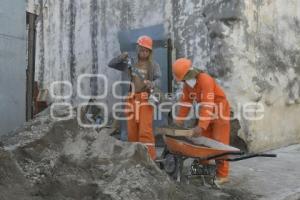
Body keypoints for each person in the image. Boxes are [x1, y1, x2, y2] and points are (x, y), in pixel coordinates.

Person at [172, 58, 231, 184]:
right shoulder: (187, 85)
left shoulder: (205, 80)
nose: (182, 81)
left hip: (219, 109)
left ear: (189, 73)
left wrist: (201, 126)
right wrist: (179, 121)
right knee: (203, 142)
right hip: (206, 111)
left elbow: (208, 104)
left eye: (183, 78)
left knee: (218, 143)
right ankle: (203, 170)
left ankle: (223, 175)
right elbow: (185, 103)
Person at [108, 36, 161, 160]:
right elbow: (111, 64)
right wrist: (121, 57)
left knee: (145, 131)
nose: (144, 53)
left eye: (147, 51)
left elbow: (159, 79)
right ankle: (134, 158)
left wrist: (153, 84)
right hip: (131, 99)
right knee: (132, 131)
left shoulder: (153, 65)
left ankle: (150, 159)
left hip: (145, 100)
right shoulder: (130, 63)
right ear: (138, 49)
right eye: (142, 50)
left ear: (150, 52)